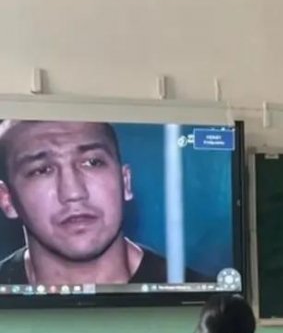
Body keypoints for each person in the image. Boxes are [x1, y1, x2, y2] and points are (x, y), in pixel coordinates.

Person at [0, 119, 208, 285]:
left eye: (92, 162)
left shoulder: (203, 297)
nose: (74, 192)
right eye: (42, 170)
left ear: (125, 182)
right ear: (7, 200)